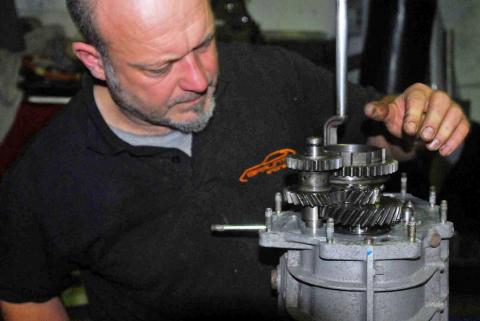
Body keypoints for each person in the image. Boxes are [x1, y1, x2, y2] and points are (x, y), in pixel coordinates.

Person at [0, 0, 469, 320]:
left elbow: (382, 138)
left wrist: (415, 120)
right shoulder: (48, 176)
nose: (200, 79)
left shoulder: (274, 77)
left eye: (203, 44)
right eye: (160, 66)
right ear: (95, 61)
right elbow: (26, 295)